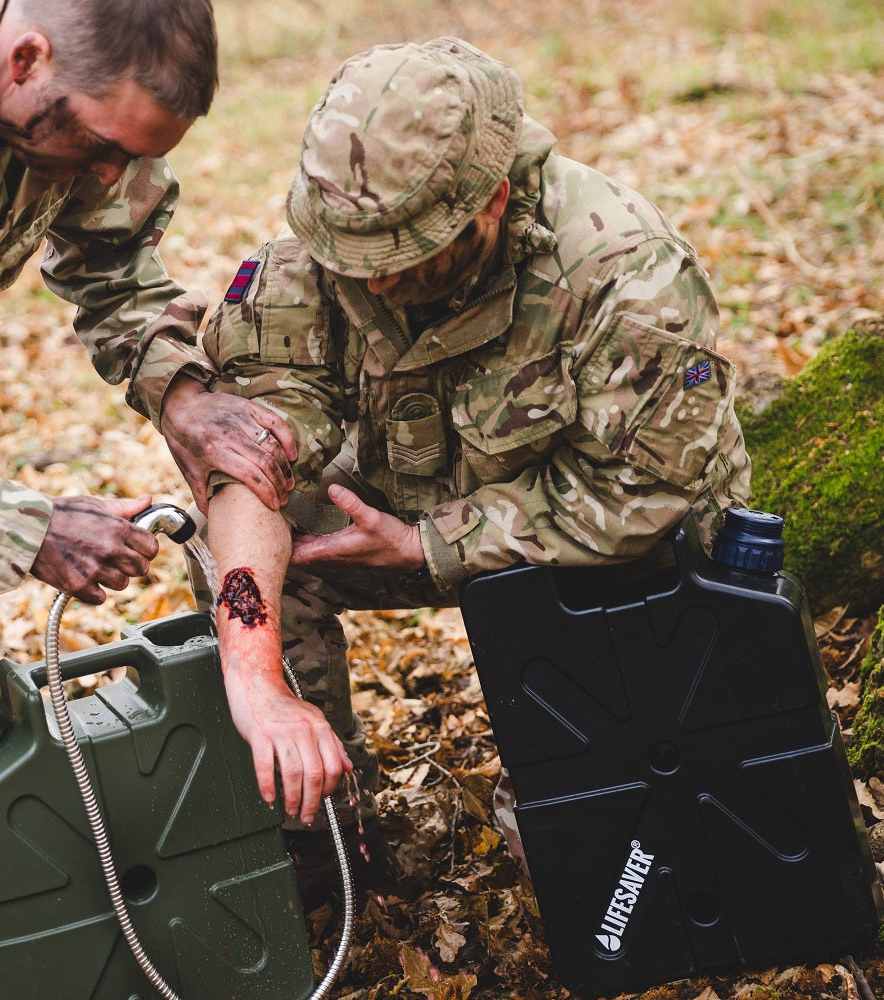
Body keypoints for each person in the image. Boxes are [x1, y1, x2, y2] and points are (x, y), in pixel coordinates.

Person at [197, 36, 752, 904]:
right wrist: (255, 675)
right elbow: (251, 463)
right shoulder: (320, 257)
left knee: (603, 853)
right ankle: (321, 843)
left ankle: (582, 801)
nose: (371, 286)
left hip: (599, 547)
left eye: (403, 259)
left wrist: (431, 544)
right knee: (263, 556)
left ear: (490, 201)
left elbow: (641, 496)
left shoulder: (620, 274)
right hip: (412, 504)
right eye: (353, 260)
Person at [0, 0, 299, 927]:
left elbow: (114, 263)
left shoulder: (72, 113)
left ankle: (7, 911)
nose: (111, 174)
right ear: (25, 57)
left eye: (137, 156)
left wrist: (183, 398)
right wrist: (19, 524)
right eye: (102, 146)